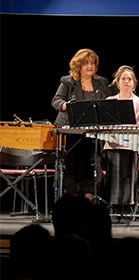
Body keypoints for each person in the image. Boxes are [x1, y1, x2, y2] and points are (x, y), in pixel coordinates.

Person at [51, 48, 113, 197]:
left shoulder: (102, 82)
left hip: (92, 133)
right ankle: (71, 198)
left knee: (92, 164)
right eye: (86, 63)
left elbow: (108, 103)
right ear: (78, 66)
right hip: (70, 132)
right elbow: (56, 100)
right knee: (72, 165)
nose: (90, 66)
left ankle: (89, 198)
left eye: (92, 63)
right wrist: (66, 106)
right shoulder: (68, 81)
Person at [103, 66, 139, 212]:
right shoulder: (110, 101)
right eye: (123, 79)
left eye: (129, 79)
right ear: (118, 82)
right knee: (113, 178)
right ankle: (113, 207)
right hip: (113, 144)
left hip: (132, 146)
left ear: (134, 83)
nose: (126, 81)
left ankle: (127, 207)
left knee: (128, 178)